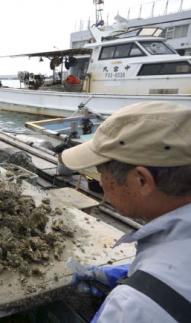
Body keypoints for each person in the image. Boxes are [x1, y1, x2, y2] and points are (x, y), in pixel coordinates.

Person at [60, 101, 191, 323]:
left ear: (142, 181)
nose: (101, 183)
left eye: (102, 173)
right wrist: (130, 272)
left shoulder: (133, 308)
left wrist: (140, 289)